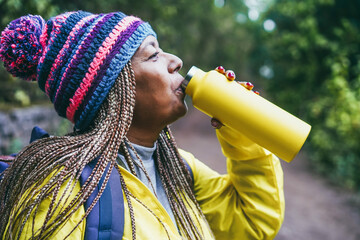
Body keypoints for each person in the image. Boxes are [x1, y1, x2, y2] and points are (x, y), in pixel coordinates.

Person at [0, 10, 284, 239]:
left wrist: (240, 125)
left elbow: (251, 223)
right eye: (153, 55)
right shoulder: (59, 194)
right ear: (113, 89)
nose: (176, 61)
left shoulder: (178, 168)